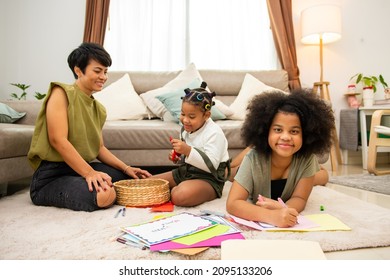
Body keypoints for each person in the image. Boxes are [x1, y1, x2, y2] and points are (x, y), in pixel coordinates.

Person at [28, 43, 151, 212]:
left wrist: (126, 168)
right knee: (105, 195)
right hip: (52, 176)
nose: (103, 77)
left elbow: (99, 148)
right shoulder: (61, 93)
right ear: (78, 70)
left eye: (105, 72)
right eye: (97, 71)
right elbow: (57, 140)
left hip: (80, 169)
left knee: (130, 181)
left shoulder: (98, 109)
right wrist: (89, 174)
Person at [226, 89, 335, 228]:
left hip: (296, 163)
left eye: (294, 131)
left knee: (323, 175)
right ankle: (229, 166)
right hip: (251, 164)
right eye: (278, 129)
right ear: (266, 131)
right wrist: (271, 216)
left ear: (306, 134)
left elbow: (300, 198)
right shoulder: (253, 159)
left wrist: (284, 209)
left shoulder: (307, 159)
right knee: (231, 173)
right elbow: (233, 203)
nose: (285, 136)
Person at [152, 82, 231, 207]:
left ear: (206, 115)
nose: (185, 120)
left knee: (179, 196)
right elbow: (187, 158)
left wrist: (188, 150)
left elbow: (212, 165)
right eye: (183, 114)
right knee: (150, 184)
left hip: (209, 178)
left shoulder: (214, 133)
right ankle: (181, 188)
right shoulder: (186, 129)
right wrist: (178, 157)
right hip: (187, 172)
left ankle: (208, 192)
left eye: (192, 116)